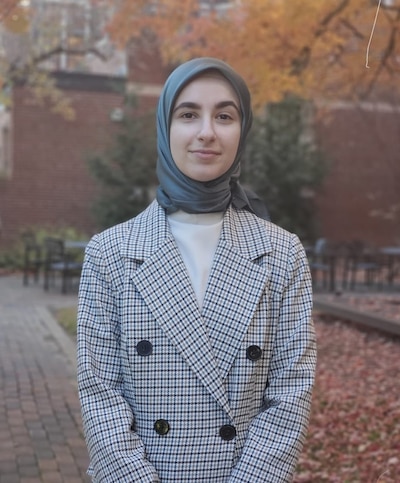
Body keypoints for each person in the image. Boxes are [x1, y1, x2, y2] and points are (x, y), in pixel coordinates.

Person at [77, 57, 317, 482]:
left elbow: (290, 392)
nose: (207, 131)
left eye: (224, 115)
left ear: (242, 132)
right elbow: (100, 394)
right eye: (188, 114)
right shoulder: (109, 252)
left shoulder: (282, 252)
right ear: (164, 126)